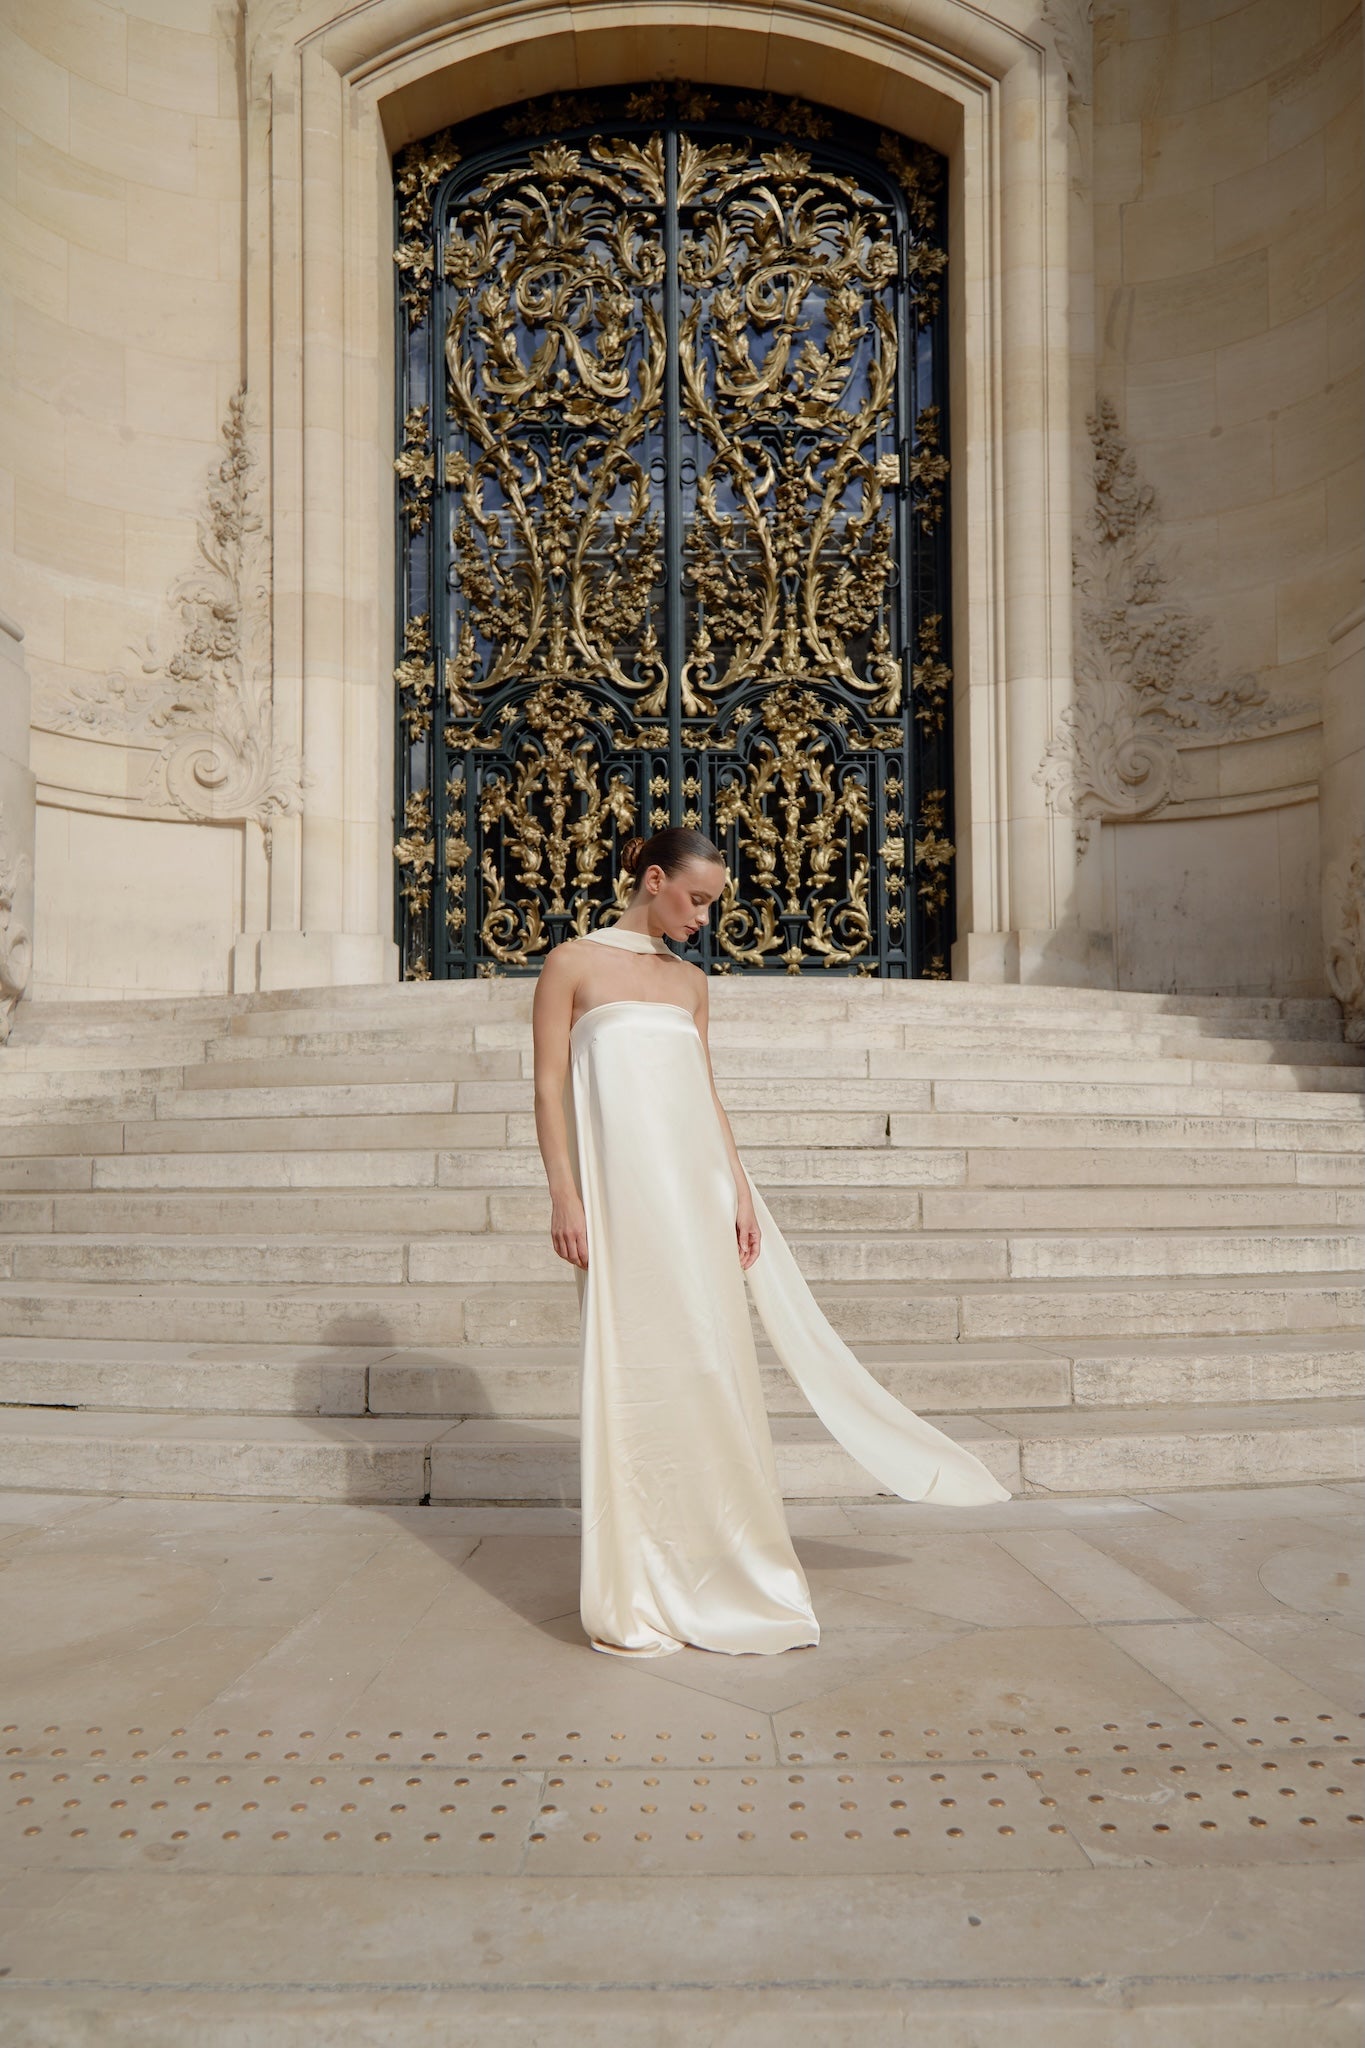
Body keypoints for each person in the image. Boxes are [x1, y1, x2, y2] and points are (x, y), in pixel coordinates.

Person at [531, 825, 1011, 1659]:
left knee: (713, 1366)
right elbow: (545, 1087)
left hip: (698, 1196)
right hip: (620, 1202)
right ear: (652, 880)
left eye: (711, 903)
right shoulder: (571, 964)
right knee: (637, 1368)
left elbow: (704, 1093)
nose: (704, 918)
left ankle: (721, 1560)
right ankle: (640, 1578)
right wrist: (564, 1195)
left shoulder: (690, 983)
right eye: (697, 900)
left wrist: (740, 1190)